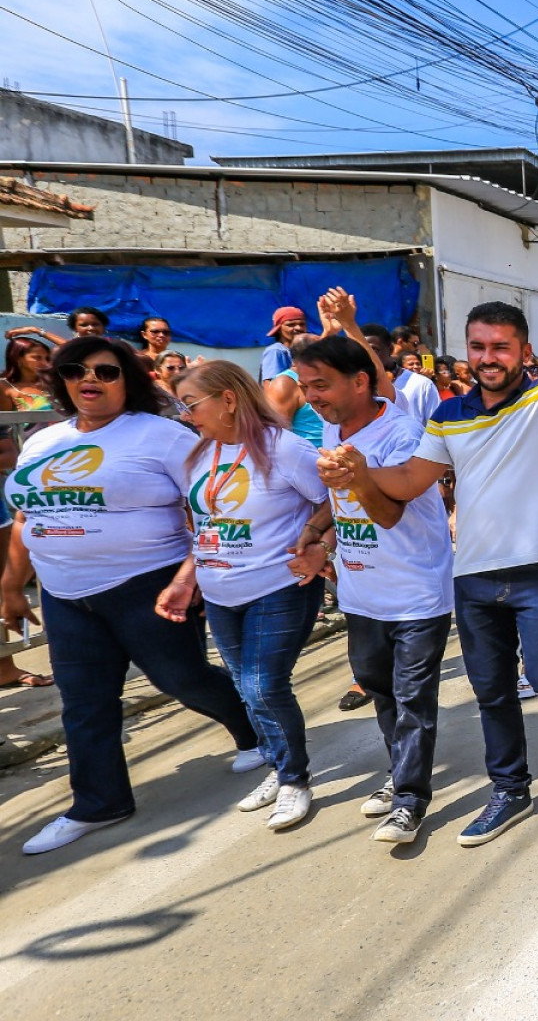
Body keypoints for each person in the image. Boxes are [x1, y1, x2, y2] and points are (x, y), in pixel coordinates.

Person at [317, 228, 538, 847]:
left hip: (536, 570)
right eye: (478, 346)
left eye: (501, 347)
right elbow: (408, 480)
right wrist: (361, 472)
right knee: (491, 691)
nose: (488, 357)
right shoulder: (447, 415)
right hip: (473, 576)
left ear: (523, 350)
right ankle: (509, 789)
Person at [3, 337, 266, 855]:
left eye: (105, 371)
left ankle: (256, 730)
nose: (89, 380)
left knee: (181, 678)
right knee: (82, 701)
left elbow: (216, 507)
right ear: (61, 379)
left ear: (128, 378)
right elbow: (25, 515)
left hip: (147, 583)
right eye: (76, 370)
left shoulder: (162, 436)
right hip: (63, 591)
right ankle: (99, 803)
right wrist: (12, 586)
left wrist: (190, 575)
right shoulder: (41, 441)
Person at [293, 332, 454, 846]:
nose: (312, 396)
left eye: (322, 385)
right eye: (305, 386)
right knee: (380, 689)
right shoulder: (329, 429)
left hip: (416, 592)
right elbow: (342, 502)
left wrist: (359, 475)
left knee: (411, 698)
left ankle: (409, 799)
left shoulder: (403, 435)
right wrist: (317, 533)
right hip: (361, 593)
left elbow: (386, 511)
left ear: (360, 381)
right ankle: (399, 771)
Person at [172, 360, 332, 832]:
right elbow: (204, 524)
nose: (185, 415)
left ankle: (294, 780)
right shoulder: (202, 453)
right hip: (222, 591)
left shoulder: (285, 448)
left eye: (191, 404)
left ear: (228, 398)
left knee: (264, 685)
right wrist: (191, 577)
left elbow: (333, 499)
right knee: (245, 687)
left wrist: (317, 543)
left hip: (278, 586)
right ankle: (279, 766)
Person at [362, 323, 440, 426]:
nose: (368, 356)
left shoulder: (421, 385)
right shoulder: (356, 387)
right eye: (362, 351)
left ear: (390, 349)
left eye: (374, 350)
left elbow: (438, 428)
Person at [4, 336, 55, 410]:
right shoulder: (5, 387)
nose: (45, 363)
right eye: (37, 358)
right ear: (17, 358)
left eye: (47, 359)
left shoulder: (53, 384)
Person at [260, 306, 306, 380]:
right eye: (291, 325)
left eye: (302, 324)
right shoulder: (276, 351)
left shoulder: (303, 351)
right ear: (278, 329)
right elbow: (269, 387)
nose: (299, 328)